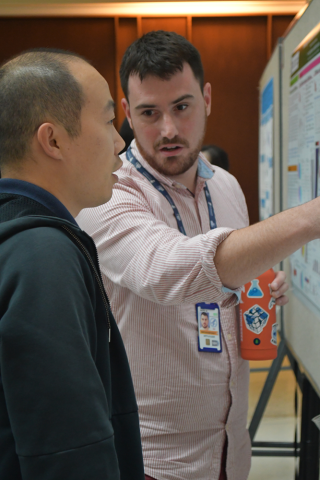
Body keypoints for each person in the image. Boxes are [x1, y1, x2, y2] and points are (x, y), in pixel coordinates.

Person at [77, 30, 320, 480]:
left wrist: (261, 280)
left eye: (182, 107)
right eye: (149, 113)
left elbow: (228, 272)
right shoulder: (106, 194)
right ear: (127, 112)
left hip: (230, 448)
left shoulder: (225, 186)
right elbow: (169, 271)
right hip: (154, 461)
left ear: (207, 98)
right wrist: (311, 219)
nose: (168, 129)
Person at [0, 49, 144, 480]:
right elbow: (69, 450)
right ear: (54, 140)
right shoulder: (43, 256)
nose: (120, 141)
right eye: (106, 121)